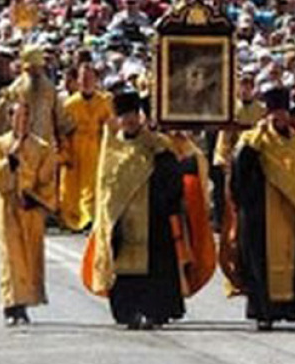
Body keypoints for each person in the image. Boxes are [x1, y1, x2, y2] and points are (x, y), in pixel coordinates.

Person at [83, 90, 215, 330]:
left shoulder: (157, 144)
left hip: (153, 216)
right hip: (122, 219)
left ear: (139, 116)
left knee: (155, 268)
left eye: (133, 114)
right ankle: (128, 312)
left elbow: (174, 178)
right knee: (124, 269)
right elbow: (106, 186)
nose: (129, 120)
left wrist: (162, 187)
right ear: (118, 119)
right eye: (124, 116)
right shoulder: (111, 147)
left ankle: (153, 310)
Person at [229, 86, 295, 331]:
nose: (278, 117)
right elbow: (240, 172)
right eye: (274, 112)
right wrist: (252, 149)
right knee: (259, 262)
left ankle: (287, 308)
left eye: (282, 112)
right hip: (261, 211)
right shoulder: (253, 139)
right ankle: (263, 311)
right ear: (267, 114)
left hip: (290, 212)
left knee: (293, 259)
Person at [0, 101, 58, 326]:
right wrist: (9, 162)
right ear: (10, 119)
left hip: (30, 208)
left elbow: (48, 178)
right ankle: (11, 304)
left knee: (28, 256)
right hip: (7, 205)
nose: (22, 122)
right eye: (17, 117)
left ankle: (24, 303)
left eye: (26, 117)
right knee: (10, 255)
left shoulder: (42, 147)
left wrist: (37, 198)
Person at [59, 63, 114, 232]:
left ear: (96, 80)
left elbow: (111, 126)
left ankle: (90, 218)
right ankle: (73, 219)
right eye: (83, 78)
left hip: (95, 147)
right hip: (76, 148)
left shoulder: (104, 101)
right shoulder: (70, 104)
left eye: (90, 78)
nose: (86, 82)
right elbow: (62, 131)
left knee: (93, 185)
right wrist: (65, 153)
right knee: (72, 186)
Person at [0, 45, 74, 149]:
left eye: (38, 67)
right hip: (20, 148)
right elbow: (0, 125)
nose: (35, 72)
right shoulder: (13, 92)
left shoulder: (49, 89)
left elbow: (61, 119)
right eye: (31, 68)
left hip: (45, 149)